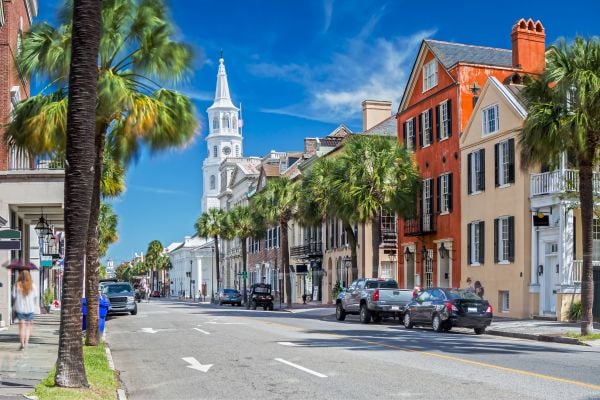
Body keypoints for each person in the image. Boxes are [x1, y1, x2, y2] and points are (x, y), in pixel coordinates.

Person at [12, 270, 38, 351]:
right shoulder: (33, 285)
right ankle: (26, 343)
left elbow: (13, 296)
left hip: (20, 308)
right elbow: (35, 296)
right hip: (30, 309)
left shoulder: (17, 285)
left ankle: (22, 343)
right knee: (28, 327)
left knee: (21, 327)